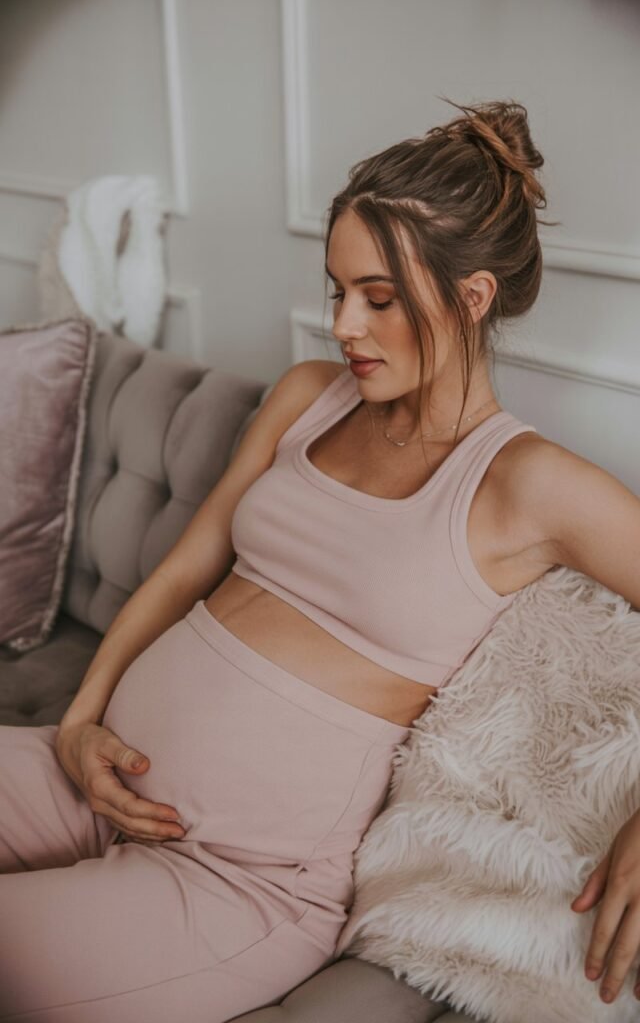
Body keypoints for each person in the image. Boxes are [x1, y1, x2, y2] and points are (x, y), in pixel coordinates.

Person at [2, 97, 639, 1021]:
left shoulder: (529, 483)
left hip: (237, 880)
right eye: (338, 289)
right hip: (97, 780)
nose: (342, 324)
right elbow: (185, 570)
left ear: (470, 299)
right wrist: (80, 721)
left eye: (378, 299)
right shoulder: (310, 397)